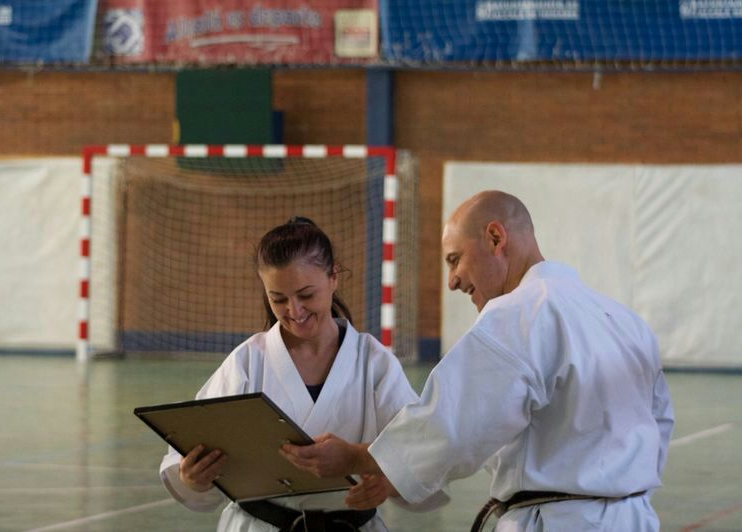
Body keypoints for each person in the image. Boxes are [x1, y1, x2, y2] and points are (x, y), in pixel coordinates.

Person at [281, 191, 675, 531]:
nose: (452, 281)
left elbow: (449, 428)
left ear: (495, 237)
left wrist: (354, 456)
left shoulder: (518, 315)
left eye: (455, 259)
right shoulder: (624, 321)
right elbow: (659, 424)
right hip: (636, 514)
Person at [159, 216, 447, 532]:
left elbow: (421, 449)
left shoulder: (374, 362)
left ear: (333, 276)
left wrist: (390, 483)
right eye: (278, 299)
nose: (294, 311)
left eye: (306, 295)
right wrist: (192, 477)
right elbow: (187, 455)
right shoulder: (248, 361)